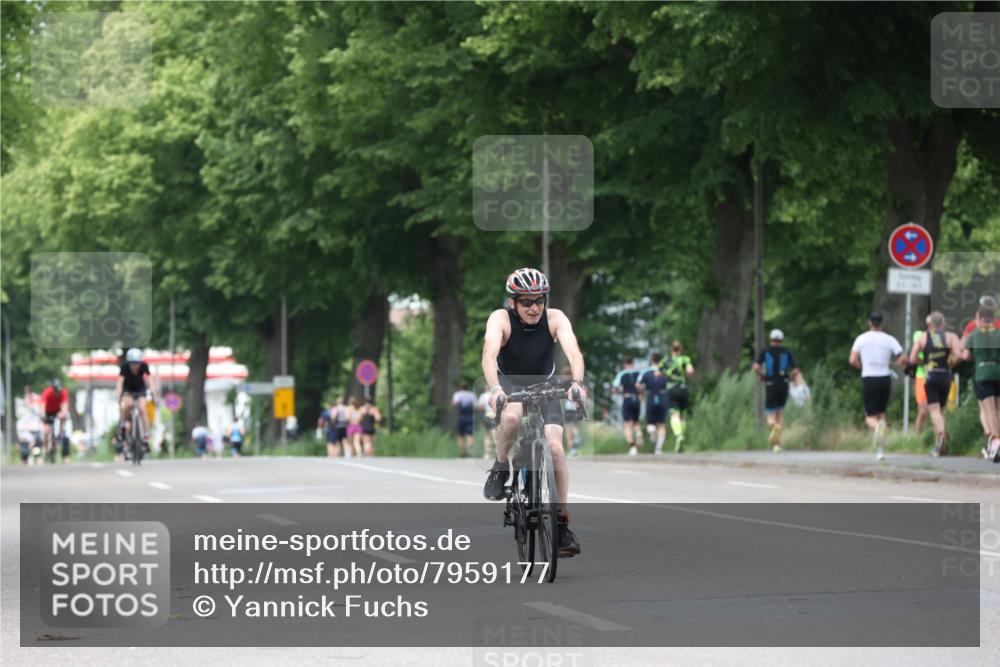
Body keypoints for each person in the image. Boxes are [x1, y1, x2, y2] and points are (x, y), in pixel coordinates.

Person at [481, 267, 587, 558]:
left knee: (555, 448)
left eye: (539, 300)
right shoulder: (500, 318)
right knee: (511, 418)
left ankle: (561, 523)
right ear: (512, 302)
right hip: (510, 383)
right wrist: (495, 389)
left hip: (546, 383)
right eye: (526, 302)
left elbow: (574, 352)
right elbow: (489, 355)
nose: (534, 308)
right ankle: (501, 465)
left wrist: (577, 384)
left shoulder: (555, 318)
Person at [849, 312, 906, 461]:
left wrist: (861, 366)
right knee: (881, 414)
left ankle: (877, 429)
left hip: (869, 378)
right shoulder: (889, 339)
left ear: (869, 323)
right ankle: (881, 451)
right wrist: (895, 364)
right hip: (884, 378)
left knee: (870, 417)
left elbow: (852, 359)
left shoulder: (861, 338)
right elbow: (902, 358)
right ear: (881, 323)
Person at [910, 312, 964, 457]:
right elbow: (960, 355)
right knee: (941, 411)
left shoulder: (923, 337)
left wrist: (924, 362)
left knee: (934, 411)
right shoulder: (950, 337)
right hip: (945, 375)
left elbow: (912, 358)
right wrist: (951, 363)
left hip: (931, 375)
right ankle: (939, 446)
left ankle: (941, 433)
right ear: (943, 323)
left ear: (930, 324)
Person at [961, 305, 1000, 461]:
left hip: (983, 372)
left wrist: (974, 355)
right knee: (998, 409)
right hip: (997, 370)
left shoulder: (975, 334)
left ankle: (995, 440)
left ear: (981, 318)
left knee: (989, 410)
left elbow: (965, 356)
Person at [753, 330, 800, 453]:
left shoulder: (765, 351)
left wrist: (762, 375)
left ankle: (775, 426)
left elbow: (756, 367)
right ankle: (777, 444)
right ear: (781, 340)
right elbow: (795, 370)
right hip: (784, 384)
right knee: (780, 413)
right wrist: (791, 378)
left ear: (771, 339)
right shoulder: (786, 351)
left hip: (771, 384)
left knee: (770, 415)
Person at [115, 348, 159, 453]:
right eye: (132, 363)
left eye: (137, 363)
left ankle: (146, 437)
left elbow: (150, 380)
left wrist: (154, 394)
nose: (134, 365)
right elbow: (120, 382)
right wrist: (118, 396)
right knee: (128, 404)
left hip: (140, 389)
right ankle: (123, 425)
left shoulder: (144, 366)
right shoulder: (124, 367)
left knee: (143, 409)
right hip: (128, 389)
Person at [663, 341, 695, 453]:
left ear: (671, 349)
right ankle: (682, 436)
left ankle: (679, 435)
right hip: (683, 389)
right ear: (681, 349)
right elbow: (690, 372)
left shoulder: (665, 360)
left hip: (672, 389)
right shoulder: (685, 359)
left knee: (674, 414)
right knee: (683, 415)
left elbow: (659, 373)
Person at [638, 353, 670, 455]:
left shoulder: (646, 372)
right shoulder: (665, 371)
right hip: (663, 398)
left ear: (652, 360)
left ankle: (652, 432)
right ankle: (658, 449)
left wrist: (641, 393)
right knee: (662, 424)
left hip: (651, 397)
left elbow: (638, 385)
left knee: (650, 424)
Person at [612, 358, 643, 455]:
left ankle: (632, 446)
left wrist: (620, 391)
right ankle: (638, 433)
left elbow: (615, 388)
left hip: (627, 399)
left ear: (625, 364)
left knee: (627, 424)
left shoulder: (621, 374)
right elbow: (641, 387)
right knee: (636, 421)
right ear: (633, 364)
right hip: (637, 399)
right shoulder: (639, 373)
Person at [39, 378, 69, 463]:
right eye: (56, 391)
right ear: (53, 389)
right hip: (47, 412)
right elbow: (42, 405)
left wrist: (63, 414)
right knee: (46, 431)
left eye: (59, 391)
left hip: (57, 411)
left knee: (63, 418)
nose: (58, 393)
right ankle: (45, 448)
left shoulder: (63, 392)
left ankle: (61, 432)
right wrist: (43, 415)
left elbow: (65, 406)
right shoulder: (47, 392)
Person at [912, 315, 933, 434]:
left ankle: (932, 435)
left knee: (935, 409)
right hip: (922, 377)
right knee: (923, 410)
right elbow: (917, 353)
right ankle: (918, 436)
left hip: (936, 376)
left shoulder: (941, 338)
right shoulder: (919, 335)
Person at [452, 382, 477, 458]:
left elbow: (454, 403)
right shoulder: (472, 395)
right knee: (470, 435)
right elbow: (476, 406)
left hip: (461, 417)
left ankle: (462, 452)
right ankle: (470, 451)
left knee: (461, 435)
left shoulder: (458, 394)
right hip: (470, 417)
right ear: (467, 387)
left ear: (461, 388)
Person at [477, 387, 496, 460]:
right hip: (495, 415)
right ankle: (498, 452)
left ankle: (487, 453)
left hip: (487, 415)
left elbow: (479, 406)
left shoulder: (483, 395)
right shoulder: (496, 394)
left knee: (487, 435)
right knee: (495, 434)